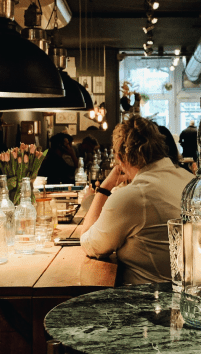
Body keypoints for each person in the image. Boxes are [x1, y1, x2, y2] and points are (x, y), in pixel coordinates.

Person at [80, 116, 193, 285]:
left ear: (120, 158)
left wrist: (104, 188)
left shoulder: (133, 196)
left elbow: (91, 244)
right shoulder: (191, 180)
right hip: (195, 296)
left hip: (149, 302)